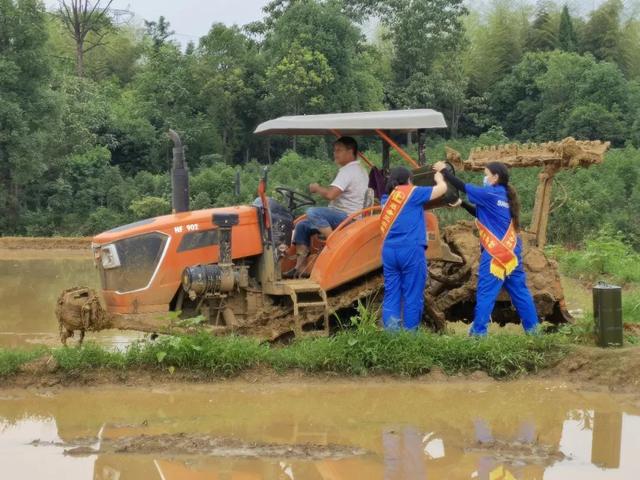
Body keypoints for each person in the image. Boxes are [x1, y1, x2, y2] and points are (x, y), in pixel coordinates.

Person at [433, 160, 539, 336]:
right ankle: (534, 333)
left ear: (495, 177)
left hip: (495, 255)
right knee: (521, 294)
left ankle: (478, 334)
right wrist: (463, 204)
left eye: (486, 174)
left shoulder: (490, 193)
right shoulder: (504, 195)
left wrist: (444, 172)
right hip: (512, 254)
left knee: (485, 294)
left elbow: (464, 186)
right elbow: (481, 214)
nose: (484, 178)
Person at [286, 136, 369, 278]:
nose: (335, 153)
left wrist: (317, 188)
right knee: (302, 226)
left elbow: (331, 194)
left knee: (312, 212)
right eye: (334, 150)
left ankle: (335, 245)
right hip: (342, 214)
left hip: (347, 217)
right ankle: (298, 268)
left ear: (350, 151)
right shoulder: (358, 169)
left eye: (339, 150)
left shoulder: (348, 171)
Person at [380, 166, 447, 330]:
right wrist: (439, 178)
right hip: (410, 250)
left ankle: (392, 335)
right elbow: (442, 190)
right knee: (412, 295)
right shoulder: (412, 192)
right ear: (409, 180)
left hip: (389, 251)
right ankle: (410, 336)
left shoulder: (385, 199)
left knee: (392, 294)